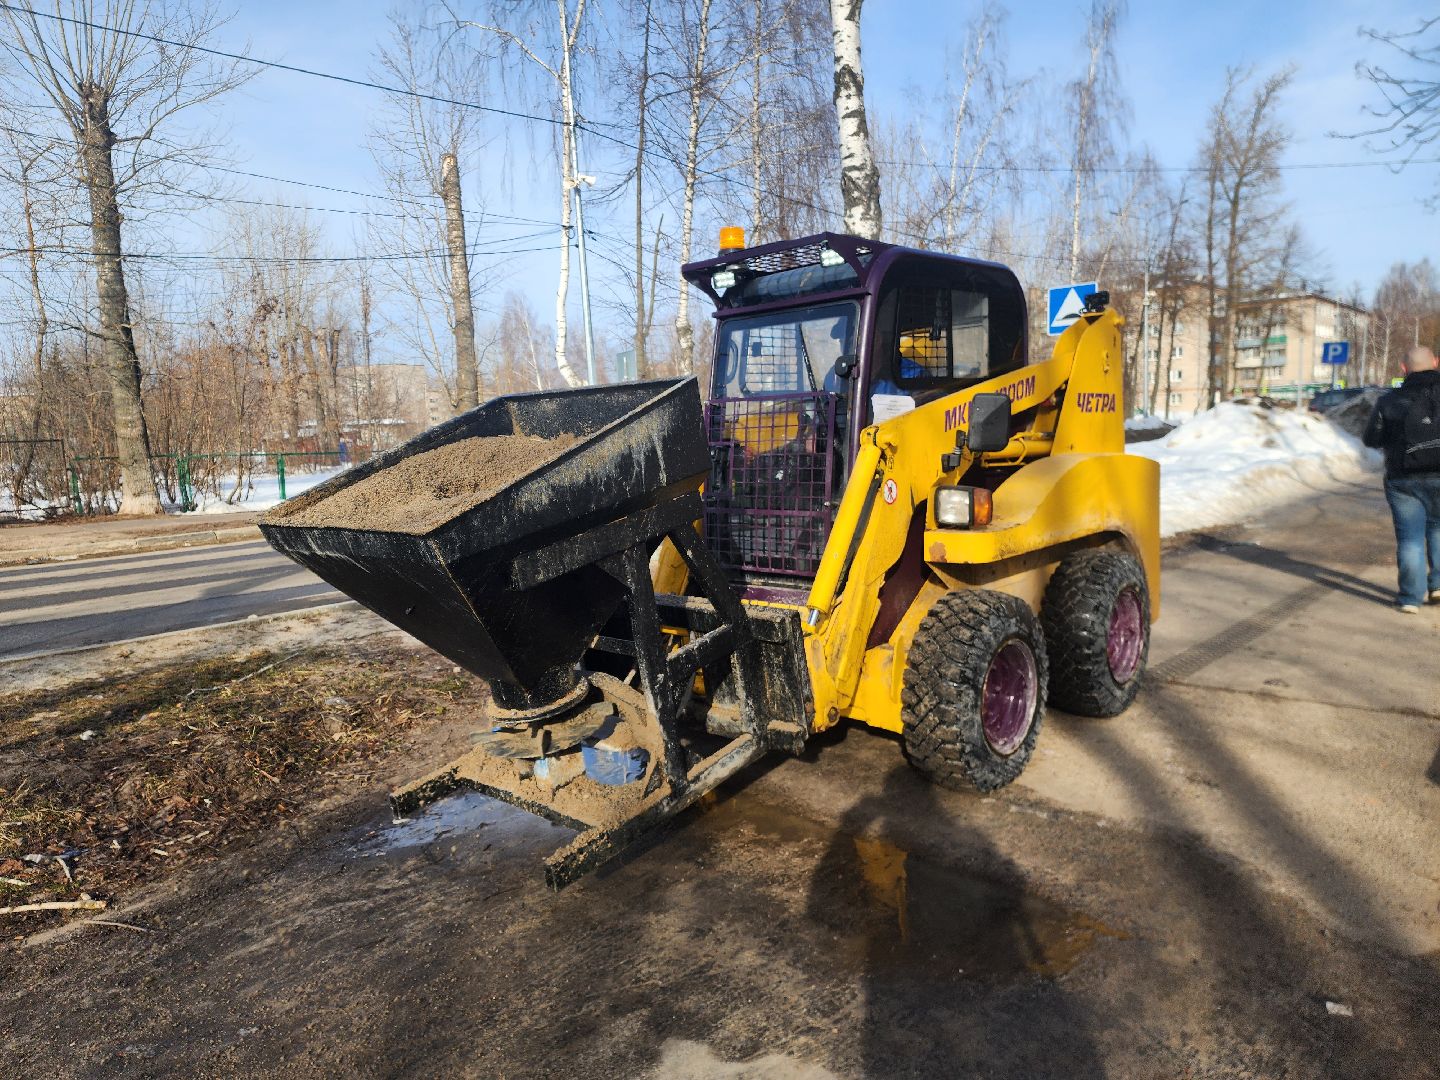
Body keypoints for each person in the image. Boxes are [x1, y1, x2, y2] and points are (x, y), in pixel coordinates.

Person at [1363, 345, 1440, 613]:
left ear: (1404, 369)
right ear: (1436, 362)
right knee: (1439, 529)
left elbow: (1371, 438)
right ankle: (1439, 585)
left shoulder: (1389, 400)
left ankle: (1410, 598)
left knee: (1410, 539)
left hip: (1403, 478)